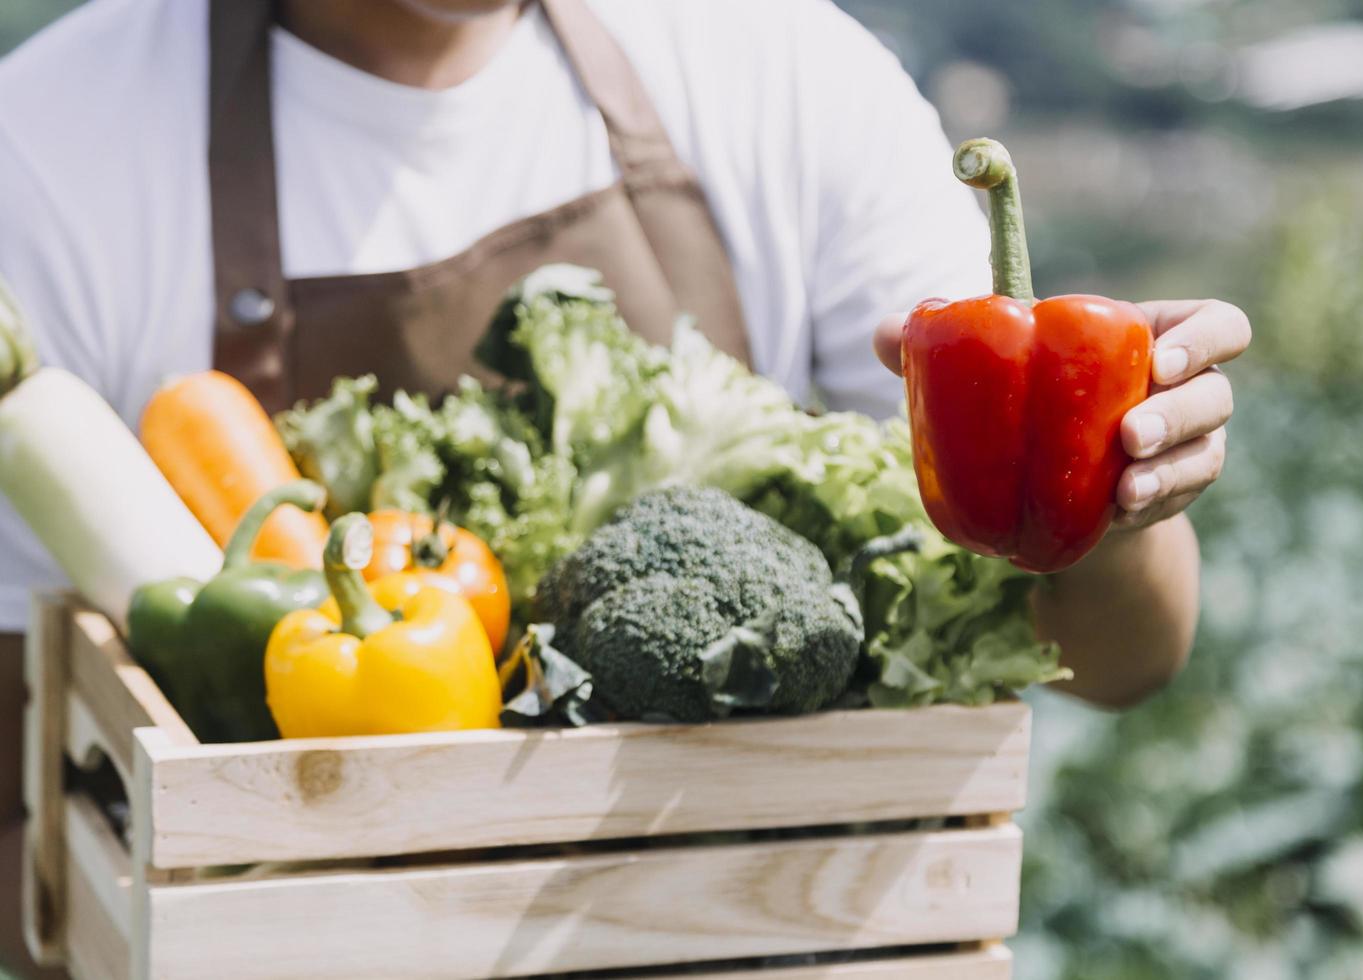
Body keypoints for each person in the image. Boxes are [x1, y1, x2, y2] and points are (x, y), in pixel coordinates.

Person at [0, 0, 1247, 973]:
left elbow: (1124, 657)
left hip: (774, 935)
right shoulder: (48, 152)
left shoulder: (782, 68)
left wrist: (1108, 484)